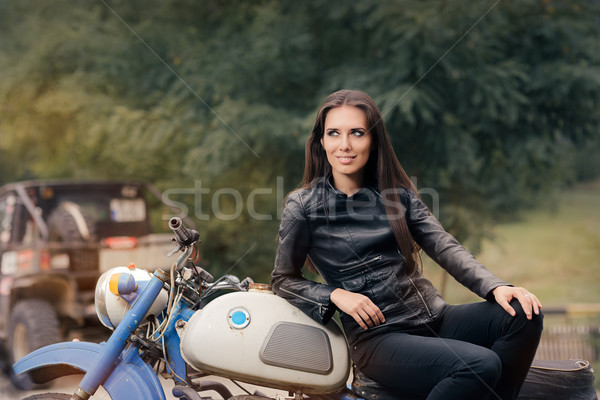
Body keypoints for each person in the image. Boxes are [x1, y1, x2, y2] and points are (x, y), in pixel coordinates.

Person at [270, 89, 543, 400]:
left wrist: (495, 287)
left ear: (373, 140)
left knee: (524, 312)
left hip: (434, 318)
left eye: (357, 133)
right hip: (379, 339)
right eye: (334, 133)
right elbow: (282, 280)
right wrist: (335, 294)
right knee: (480, 364)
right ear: (321, 141)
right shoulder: (303, 205)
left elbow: (444, 246)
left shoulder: (397, 194)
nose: (344, 145)